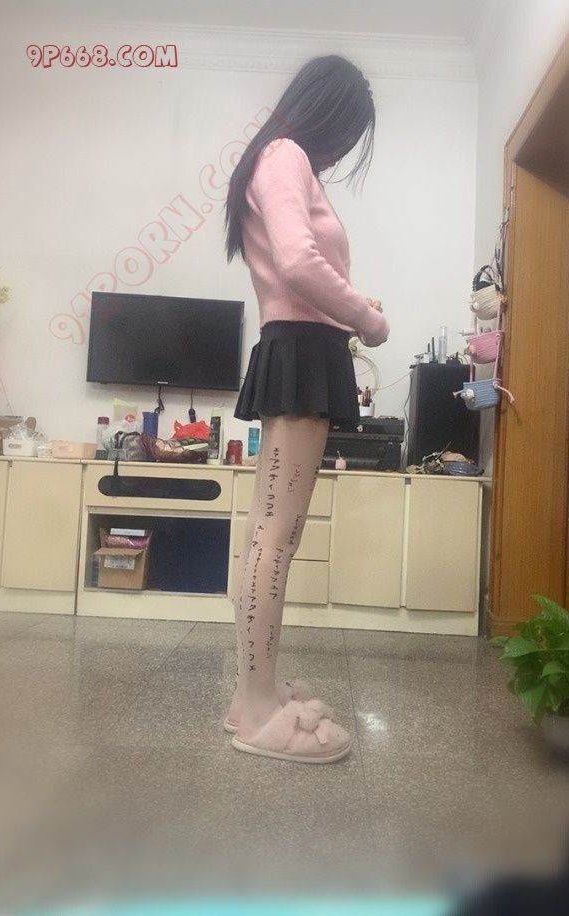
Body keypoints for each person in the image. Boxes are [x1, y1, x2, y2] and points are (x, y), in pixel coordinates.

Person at [223, 54, 389, 763]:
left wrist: (347, 306)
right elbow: (296, 261)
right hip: (301, 349)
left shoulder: (276, 159)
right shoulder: (285, 154)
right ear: (328, 113)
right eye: (348, 131)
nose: (345, 148)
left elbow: (297, 265)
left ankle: (251, 693)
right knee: (276, 535)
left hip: (296, 346)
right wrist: (367, 319)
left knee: (268, 533)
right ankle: (260, 704)